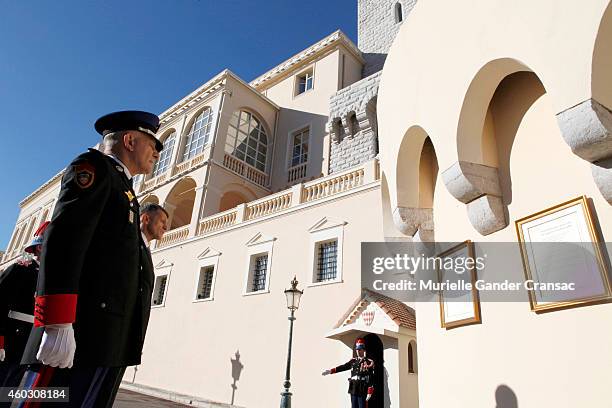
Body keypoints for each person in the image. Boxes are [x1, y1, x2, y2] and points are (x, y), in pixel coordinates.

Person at [20, 110, 163, 407]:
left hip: (105, 338)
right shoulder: (94, 169)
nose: (157, 154)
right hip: (82, 332)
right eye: (153, 145)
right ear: (130, 140)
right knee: (50, 400)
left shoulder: (125, 191)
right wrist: (58, 321)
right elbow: (65, 238)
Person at [0, 222, 49, 389]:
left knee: (10, 388)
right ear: (40, 248)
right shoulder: (18, 270)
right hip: (10, 336)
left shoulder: (51, 278)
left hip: (31, 339)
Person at [322, 338, 375, 408]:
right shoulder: (353, 361)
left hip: (362, 387)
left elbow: (371, 377)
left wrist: (369, 391)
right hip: (353, 387)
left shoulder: (368, 362)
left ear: (363, 350)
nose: (358, 351)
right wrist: (331, 371)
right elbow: (344, 367)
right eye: (357, 349)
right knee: (353, 406)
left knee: (362, 406)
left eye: (360, 349)